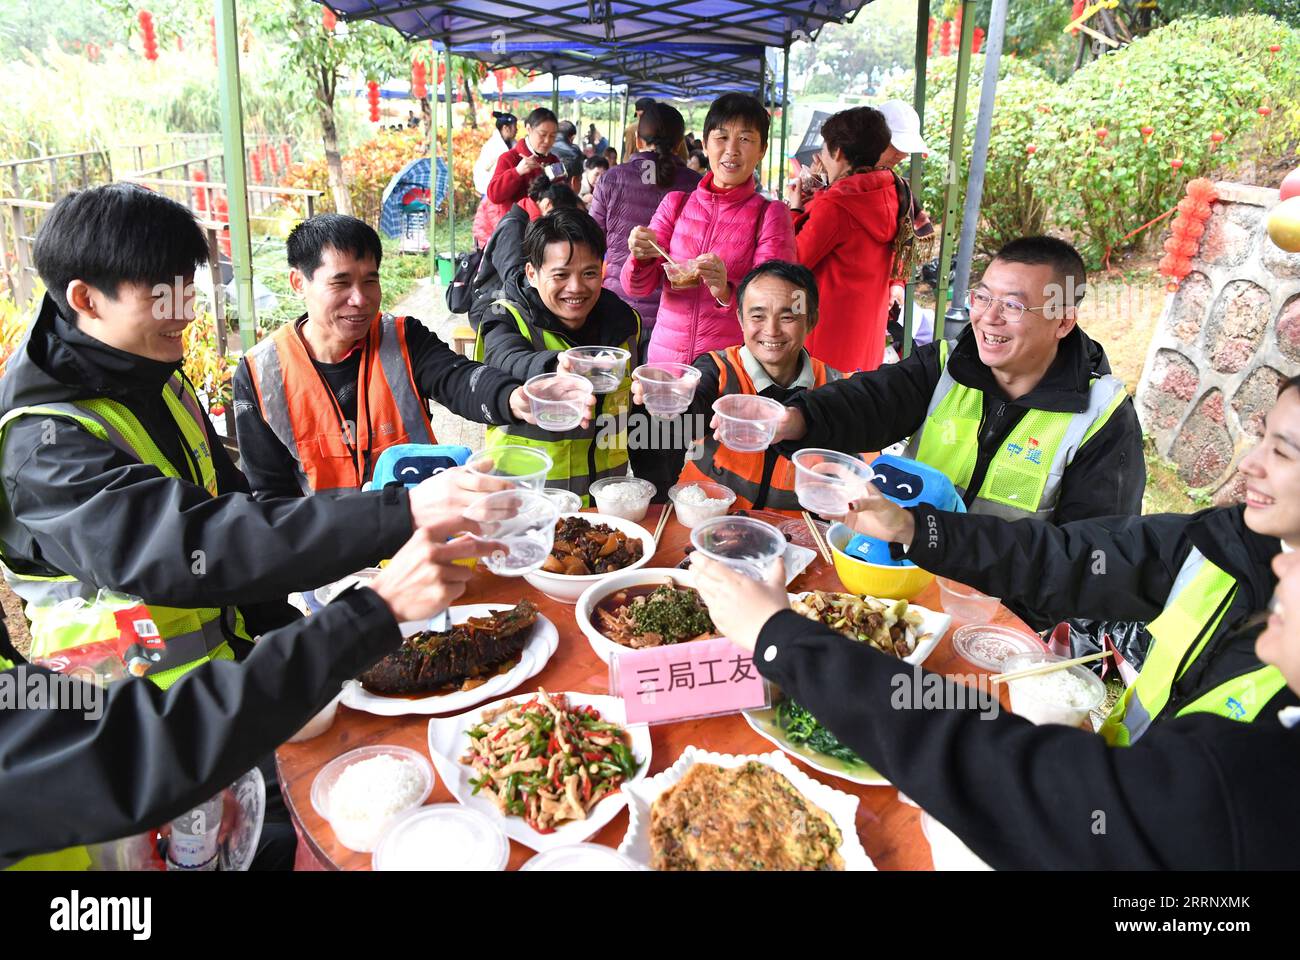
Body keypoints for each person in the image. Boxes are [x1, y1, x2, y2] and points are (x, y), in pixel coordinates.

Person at [0, 183, 506, 707]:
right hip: (132, 719)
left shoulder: (156, 378)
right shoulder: (43, 443)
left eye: (188, 290)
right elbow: (192, 542)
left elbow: (235, 506)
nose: (187, 312)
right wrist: (404, 510)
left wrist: (281, 626)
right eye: (163, 295)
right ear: (86, 299)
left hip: (229, 685)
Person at [686, 535, 1300, 869]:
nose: (1284, 569)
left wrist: (781, 638)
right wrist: (921, 529)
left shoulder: (1261, 782)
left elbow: (1027, 779)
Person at [0, 522, 502, 870]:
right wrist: (372, 612)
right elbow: (121, 751)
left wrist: (184, 782)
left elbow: (42, 712)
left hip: (123, 840)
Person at [828, 377, 1300, 748]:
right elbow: (1060, 557)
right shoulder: (1223, 540)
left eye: (1281, 451)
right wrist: (916, 530)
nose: (1248, 464)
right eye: (1261, 439)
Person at [774, 235, 1144, 524]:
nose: (988, 318)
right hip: (906, 572)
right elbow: (869, 403)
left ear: (1062, 321)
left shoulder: (1100, 415)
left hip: (1002, 608)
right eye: (982, 297)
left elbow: (1092, 546)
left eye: (1013, 305)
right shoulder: (947, 363)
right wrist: (797, 418)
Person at [234, 215, 544, 498]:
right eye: (340, 282)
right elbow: (269, 495)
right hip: (325, 551)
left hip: (418, 534)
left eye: (370, 280)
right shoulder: (261, 373)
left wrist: (512, 397)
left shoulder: (402, 338)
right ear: (299, 282)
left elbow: (459, 378)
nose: (360, 298)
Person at [634, 261, 845, 510]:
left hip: (791, 535)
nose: (772, 330)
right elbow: (690, 416)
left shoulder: (835, 386)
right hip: (705, 519)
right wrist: (668, 401)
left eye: (787, 317)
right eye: (757, 316)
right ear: (741, 320)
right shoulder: (718, 368)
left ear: (811, 320)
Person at [475, 210, 645, 501]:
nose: (576, 288)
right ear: (532, 273)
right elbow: (507, 358)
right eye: (561, 275)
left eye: (589, 273)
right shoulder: (505, 317)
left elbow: (636, 415)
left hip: (602, 501)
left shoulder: (626, 324)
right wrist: (555, 366)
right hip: (523, 498)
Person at [621, 93, 796, 365]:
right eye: (722, 137)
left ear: (761, 150)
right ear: (705, 143)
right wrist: (641, 257)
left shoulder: (771, 215)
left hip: (729, 369)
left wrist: (725, 289)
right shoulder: (676, 204)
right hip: (666, 364)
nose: (732, 150)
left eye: (746, 139)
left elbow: (777, 301)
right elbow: (636, 288)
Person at [785, 106, 915, 373]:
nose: (821, 158)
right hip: (867, 328)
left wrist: (796, 210)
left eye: (823, 151)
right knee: (853, 399)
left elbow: (794, 260)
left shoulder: (838, 204)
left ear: (838, 152)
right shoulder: (894, 188)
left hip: (828, 331)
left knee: (821, 401)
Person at [589, 102, 702, 339]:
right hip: (675, 312)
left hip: (618, 305)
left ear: (638, 141)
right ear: (681, 143)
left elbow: (592, 242)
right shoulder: (696, 185)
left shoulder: (611, 178)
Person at [468, 178, 583, 330]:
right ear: (548, 204)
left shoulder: (526, 221)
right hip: (493, 304)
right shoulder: (513, 227)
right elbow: (514, 279)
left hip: (510, 298)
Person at [876, 99, 935, 316]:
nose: (902, 154)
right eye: (896, 145)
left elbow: (901, 246)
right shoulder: (838, 187)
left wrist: (898, 283)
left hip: (880, 299)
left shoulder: (900, 191)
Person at [486, 108, 560, 210]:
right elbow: (494, 196)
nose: (547, 141)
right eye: (542, 135)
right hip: (519, 224)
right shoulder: (509, 158)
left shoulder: (554, 160)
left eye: (553, 136)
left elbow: (562, 193)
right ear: (529, 129)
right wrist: (517, 172)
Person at [472, 111, 518, 249]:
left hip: (508, 193)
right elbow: (479, 170)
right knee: (493, 229)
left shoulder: (513, 144)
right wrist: (492, 188)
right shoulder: (492, 146)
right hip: (493, 194)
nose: (516, 130)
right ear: (506, 128)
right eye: (515, 127)